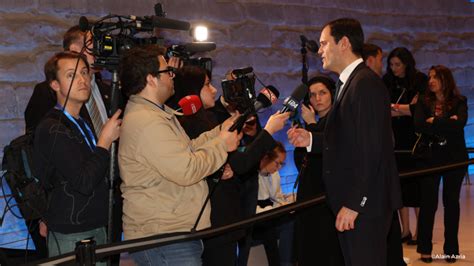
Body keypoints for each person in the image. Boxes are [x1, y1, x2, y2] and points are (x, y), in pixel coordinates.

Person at [287, 18, 402, 266]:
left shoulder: (365, 84)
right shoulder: (349, 83)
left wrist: (354, 203)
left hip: (365, 206)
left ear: (344, 43)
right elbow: (348, 140)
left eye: (324, 43)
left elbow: (373, 150)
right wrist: (310, 140)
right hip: (357, 203)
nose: (319, 51)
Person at [118, 46, 240, 266]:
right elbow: (187, 169)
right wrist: (222, 145)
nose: (172, 76)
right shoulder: (147, 121)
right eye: (167, 71)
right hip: (163, 237)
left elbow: (187, 149)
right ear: (151, 79)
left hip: (171, 232)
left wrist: (223, 129)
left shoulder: (155, 113)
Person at [33, 51, 121, 262]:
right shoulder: (52, 128)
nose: (82, 80)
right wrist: (104, 142)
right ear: (55, 84)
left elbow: (101, 172)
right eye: (72, 75)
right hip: (71, 234)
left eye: (84, 72)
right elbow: (83, 181)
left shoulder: (80, 121)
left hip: (95, 226)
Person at [413, 65, 468, 263]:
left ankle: (451, 250)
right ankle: (425, 249)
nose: (431, 80)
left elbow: (459, 124)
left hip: (454, 158)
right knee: (428, 204)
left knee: (452, 204)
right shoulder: (422, 101)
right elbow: (418, 124)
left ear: (446, 80)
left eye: (435, 77)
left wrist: (434, 122)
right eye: (430, 77)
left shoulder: (460, 101)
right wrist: (446, 122)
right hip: (429, 158)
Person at [293, 75, 344, 266]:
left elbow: (327, 151)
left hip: (326, 195)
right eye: (313, 95)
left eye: (322, 93)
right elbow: (302, 161)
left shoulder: (337, 120)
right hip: (309, 192)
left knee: (326, 247)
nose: (317, 98)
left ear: (332, 94)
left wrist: (311, 125)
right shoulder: (311, 123)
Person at [383, 47, 428, 246]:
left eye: (398, 65)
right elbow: (384, 110)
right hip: (394, 137)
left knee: (416, 186)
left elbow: (419, 109)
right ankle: (405, 230)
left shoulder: (419, 79)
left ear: (406, 63)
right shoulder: (387, 81)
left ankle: (420, 231)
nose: (394, 69)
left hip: (414, 137)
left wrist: (398, 109)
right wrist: (404, 109)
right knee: (399, 186)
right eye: (391, 65)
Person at [254, 142, 293, 266]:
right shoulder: (251, 176)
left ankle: (286, 263)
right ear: (266, 157)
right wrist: (275, 209)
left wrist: (287, 203)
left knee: (291, 221)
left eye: (282, 164)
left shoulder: (274, 175)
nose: (279, 168)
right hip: (257, 219)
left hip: (270, 215)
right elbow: (250, 209)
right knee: (268, 228)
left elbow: (277, 198)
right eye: (277, 163)